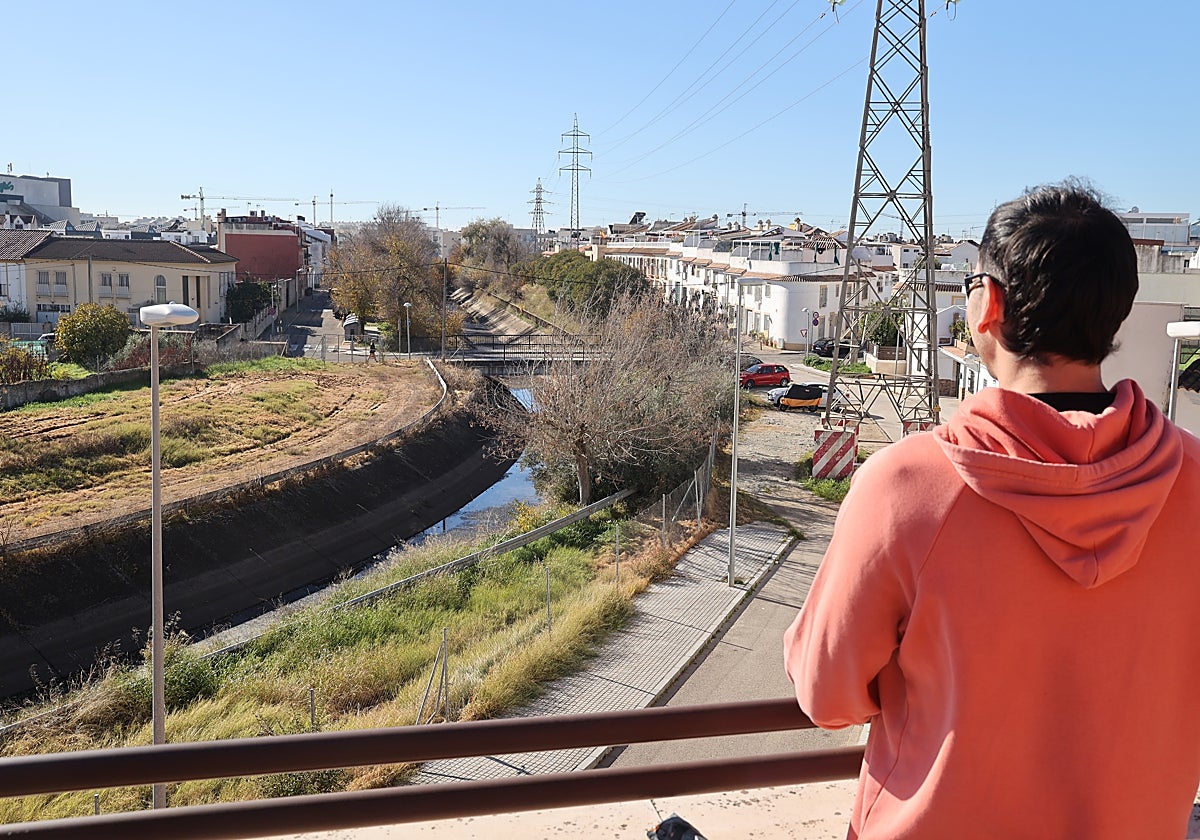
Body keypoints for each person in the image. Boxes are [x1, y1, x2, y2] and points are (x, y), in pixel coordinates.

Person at [783, 182, 1200, 839]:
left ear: (989, 304)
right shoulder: (1192, 481)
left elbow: (826, 694)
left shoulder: (908, 485)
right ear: (1115, 313)